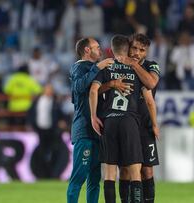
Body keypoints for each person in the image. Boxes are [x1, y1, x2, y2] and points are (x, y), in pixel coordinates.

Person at [89, 35, 147, 203]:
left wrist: (94, 116)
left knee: (109, 173)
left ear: (111, 50)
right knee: (135, 172)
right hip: (130, 120)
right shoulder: (136, 68)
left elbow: (93, 91)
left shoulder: (106, 67)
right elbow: (149, 91)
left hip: (110, 121)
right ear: (128, 49)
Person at [67, 37, 114, 203]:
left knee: (94, 179)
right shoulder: (78, 67)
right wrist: (99, 67)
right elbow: (79, 87)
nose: (100, 50)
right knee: (79, 177)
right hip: (84, 129)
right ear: (87, 50)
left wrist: (112, 84)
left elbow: (96, 90)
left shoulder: (92, 69)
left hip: (97, 130)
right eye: (97, 47)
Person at [117, 33, 160, 203]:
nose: (137, 53)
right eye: (134, 48)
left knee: (147, 170)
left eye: (142, 50)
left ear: (146, 52)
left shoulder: (152, 66)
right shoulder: (119, 65)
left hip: (145, 124)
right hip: (125, 124)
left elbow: (151, 82)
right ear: (129, 46)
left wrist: (134, 65)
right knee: (126, 170)